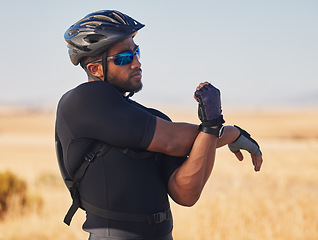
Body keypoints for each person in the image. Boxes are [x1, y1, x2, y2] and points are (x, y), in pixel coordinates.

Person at [55, 10, 263, 240]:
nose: (137, 62)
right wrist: (229, 132)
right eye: (124, 57)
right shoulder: (83, 100)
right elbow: (175, 141)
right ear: (95, 69)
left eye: (137, 52)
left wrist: (212, 125)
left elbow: (186, 193)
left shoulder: (151, 118)